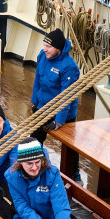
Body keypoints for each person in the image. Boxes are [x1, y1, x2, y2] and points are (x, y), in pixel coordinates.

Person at [5, 138, 74, 219]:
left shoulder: (52, 175)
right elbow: (22, 207)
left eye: (38, 162)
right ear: (20, 162)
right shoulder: (11, 176)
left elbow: (61, 209)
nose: (35, 167)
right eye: (29, 164)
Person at [30, 28, 82, 180]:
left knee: (70, 144)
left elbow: (66, 97)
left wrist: (59, 121)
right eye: (44, 45)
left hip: (64, 113)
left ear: (58, 48)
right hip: (44, 107)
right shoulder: (42, 55)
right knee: (34, 138)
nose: (44, 49)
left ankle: (75, 173)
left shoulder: (69, 67)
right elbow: (37, 81)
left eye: (49, 46)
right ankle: (34, 168)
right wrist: (34, 102)